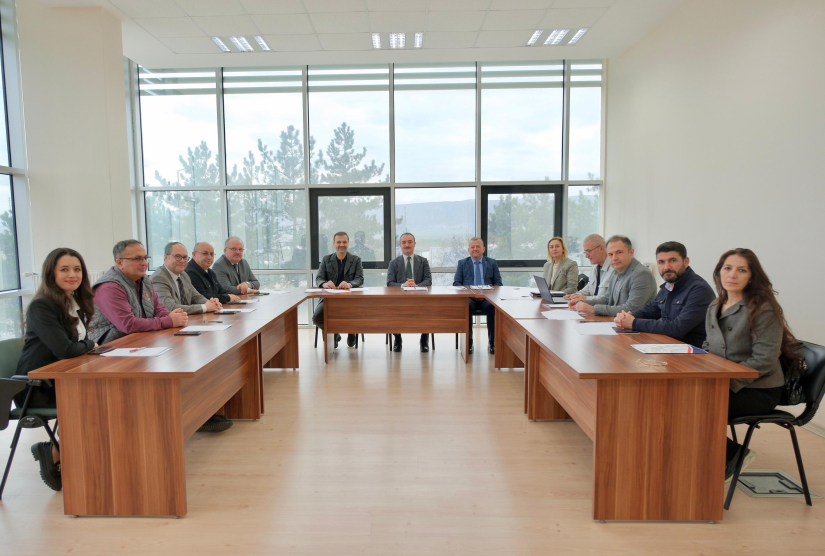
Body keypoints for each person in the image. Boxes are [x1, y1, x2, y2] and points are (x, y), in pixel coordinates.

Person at [702, 248, 797, 482]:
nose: (732, 274)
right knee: (674, 397)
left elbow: (764, 360)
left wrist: (725, 382)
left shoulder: (763, 308)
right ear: (719, 272)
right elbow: (708, 346)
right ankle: (700, 459)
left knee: (693, 405)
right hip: (724, 381)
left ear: (751, 277)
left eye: (741, 270)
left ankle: (735, 455)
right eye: (727, 268)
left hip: (758, 389)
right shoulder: (715, 305)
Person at [15, 248, 98, 491]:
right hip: (37, 386)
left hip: (63, 378)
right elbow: (65, 349)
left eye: (77, 269)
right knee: (100, 397)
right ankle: (56, 452)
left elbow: (73, 348)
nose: (72, 274)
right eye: (65, 269)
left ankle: (69, 454)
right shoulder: (42, 306)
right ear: (51, 273)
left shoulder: (73, 301)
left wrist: (84, 347)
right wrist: (91, 344)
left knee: (108, 391)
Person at [88, 239, 188, 345]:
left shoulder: (144, 280)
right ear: (120, 262)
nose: (144, 263)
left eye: (145, 258)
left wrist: (173, 316)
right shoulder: (109, 287)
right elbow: (128, 324)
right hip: (110, 347)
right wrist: (169, 321)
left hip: (140, 338)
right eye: (137, 259)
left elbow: (158, 310)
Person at [614, 241, 716, 345]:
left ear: (686, 262)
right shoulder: (667, 287)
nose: (666, 267)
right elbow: (648, 311)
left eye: (672, 260)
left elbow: (677, 328)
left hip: (694, 354)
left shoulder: (699, 290)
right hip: (670, 347)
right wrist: (625, 317)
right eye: (661, 262)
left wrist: (634, 323)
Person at [570, 235, 656, 316]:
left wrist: (593, 309)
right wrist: (580, 302)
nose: (614, 258)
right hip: (617, 324)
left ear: (631, 253)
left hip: (638, 329)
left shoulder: (641, 274)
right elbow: (607, 299)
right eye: (610, 254)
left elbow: (631, 309)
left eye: (619, 252)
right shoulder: (616, 272)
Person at [313, 231, 364, 348]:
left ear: (348, 244)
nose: (342, 244)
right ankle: (335, 333)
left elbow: (360, 279)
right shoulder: (326, 259)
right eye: (339, 242)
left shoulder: (356, 260)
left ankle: (352, 332)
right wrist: (324, 284)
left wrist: (350, 284)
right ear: (333, 244)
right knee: (317, 318)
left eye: (344, 242)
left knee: (355, 314)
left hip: (350, 299)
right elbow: (319, 278)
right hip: (329, 299)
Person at [453, 237, 503, 354]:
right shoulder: (462, 263)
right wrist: (471, 293)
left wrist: (486, 293)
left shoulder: (492, 262)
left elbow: (498, 283)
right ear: (468, 249)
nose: (475, 249)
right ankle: (469, 342)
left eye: (478, 246)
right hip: (470, 298)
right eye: (472, 247)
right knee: (467, 307)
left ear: (483, 249)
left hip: (487, 298)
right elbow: (457, 283)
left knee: (492, 307)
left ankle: (492, 342)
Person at [387, 232, 433, 352]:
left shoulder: (423, 261)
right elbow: (389, 282)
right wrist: (403, 285)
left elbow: (428, 280)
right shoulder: (394, 263)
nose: (407, 245)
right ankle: (397, 339)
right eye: (404, 242)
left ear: (414, 244)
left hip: (420, 299)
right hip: (399, 300)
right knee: (392, 309)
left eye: (409, 242)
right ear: (400, 245)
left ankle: (424, 340)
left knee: (428, 308)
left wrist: (416, 286)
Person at [151, 242, 223, 315]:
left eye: (185, 257)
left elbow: (196, 297)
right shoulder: (159, 278)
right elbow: (170, 307)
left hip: (186, 321)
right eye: (177, 256)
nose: (182, 261)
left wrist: (211, 303)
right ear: (166, 257)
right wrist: (205, 307)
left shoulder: (184, 274)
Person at [565, 233, 613, 301]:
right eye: (585, 252)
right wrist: (576, 295)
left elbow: (608, 299)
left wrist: (585, 298)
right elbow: (589, 287)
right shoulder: (595, 266)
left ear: (601, 248)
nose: (586, 256)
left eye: (588, 251)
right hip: (591, 307)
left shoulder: (614, 269)